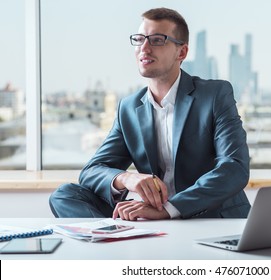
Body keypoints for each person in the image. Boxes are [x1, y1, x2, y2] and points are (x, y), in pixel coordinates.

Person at [49, 7, 251, 221]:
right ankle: (112, 236)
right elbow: (91, 171)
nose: (144, 48)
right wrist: (127, 178)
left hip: (208, 215)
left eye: (157, 40)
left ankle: (118, 238)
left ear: (181, 52)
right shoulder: (128, 108)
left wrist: (170, 208)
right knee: (64, 195)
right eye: (139, 39)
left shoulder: (214, 95)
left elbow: (234, 168)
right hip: (153, 215)